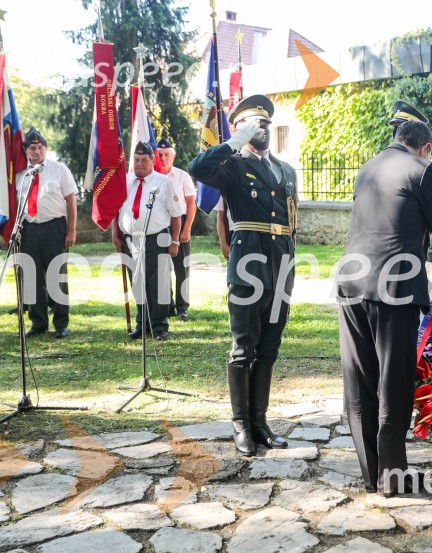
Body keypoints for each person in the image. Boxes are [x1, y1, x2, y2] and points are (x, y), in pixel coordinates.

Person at [336, 120, 432, 496]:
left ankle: (372, 473)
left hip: (350, 281)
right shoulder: (425, 171)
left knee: (359, 383)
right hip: (394, 286)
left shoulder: (368, 166)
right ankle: (393, 478)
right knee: (394, 381)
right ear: (426, 148)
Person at [188, 94, 297, 456]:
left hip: (281, 264)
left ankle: (260, 422)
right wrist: (233, 142)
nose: (261, 128)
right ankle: (240, 425)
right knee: (242, 348)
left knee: (269, 346)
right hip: (247, 263)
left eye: (265, 123)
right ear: (238, 129)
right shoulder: (232, 165)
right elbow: (197, 168)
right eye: (252, 124)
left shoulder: (286, 170)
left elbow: (290, 221)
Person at [111, 142, 183, 341]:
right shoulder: (124, 181)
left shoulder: (163, 183)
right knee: (137, 283)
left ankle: (159, 326)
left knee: (157, 284)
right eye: (136, 160)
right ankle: (142, 324)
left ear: (153, 160)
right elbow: (117, 212)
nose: (139, 164)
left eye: (144, 160)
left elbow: (176, 215)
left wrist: (175, 242)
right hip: (130, 240)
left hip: (156, 239)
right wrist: (115, 235)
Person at [15, 127, 77, 339]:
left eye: (41, 147)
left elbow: (71, 201)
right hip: (29, 228)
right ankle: (38, 322)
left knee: (56, 274)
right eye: (32, 148)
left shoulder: (59, 169)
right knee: (31, 275)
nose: (37, 152)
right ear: (26, 151)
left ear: (46, 149)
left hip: (54, 227)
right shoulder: (20, 174)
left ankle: (61, 322)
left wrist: (71, 230)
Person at [389, 100, 432, 264]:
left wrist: (431, 258)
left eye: (402, 129)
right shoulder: (383, 162)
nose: (398, 135)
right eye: (396, 130)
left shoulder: (430, 166)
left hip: (415, 251)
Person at [157, 138, 197, 321]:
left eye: (166, 154)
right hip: (158, 226)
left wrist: (186, 229)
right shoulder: (152, 177)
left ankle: (182, 307)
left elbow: (190, 204)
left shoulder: (182, 176)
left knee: (182, 269)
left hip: (179, 224)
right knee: (161, 269)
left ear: (173, 157)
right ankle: (167, 306)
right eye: (160, 154)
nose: (163, 157)